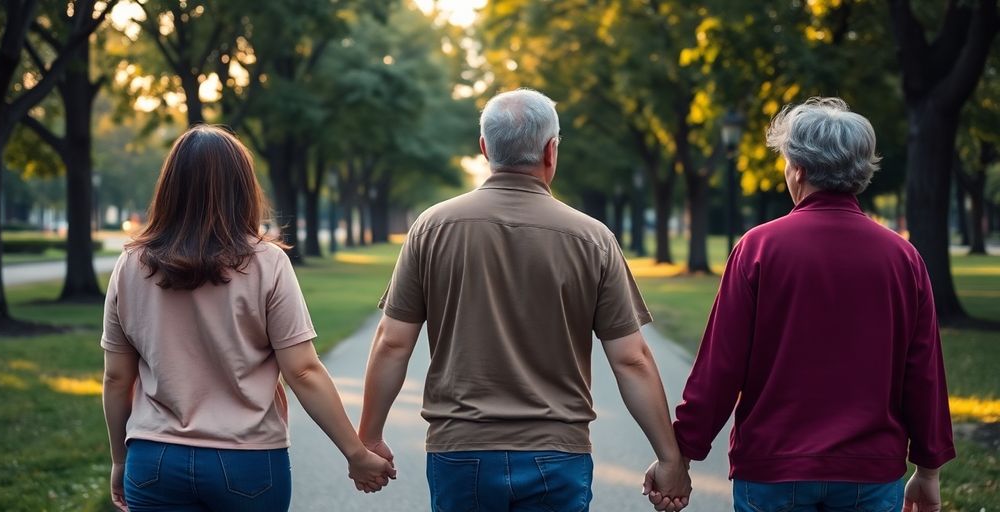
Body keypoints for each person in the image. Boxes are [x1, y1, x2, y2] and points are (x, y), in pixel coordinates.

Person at [357, 88, 692, 512]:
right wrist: (669, 458)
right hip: (559, 453)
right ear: (551, 151)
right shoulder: (592, 238)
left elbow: (392, 342)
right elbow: (631, 359)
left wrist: (367, 440)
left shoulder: (432, 228)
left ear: (484, 148)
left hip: (461, 451)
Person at [667, 98, 955, 512]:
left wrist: (682, 455)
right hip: (870, 473)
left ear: (798, 169)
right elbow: (923, 371)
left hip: (772, 470)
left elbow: (721, 365)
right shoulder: (902, 258)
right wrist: (928, 470)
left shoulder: (759, 248)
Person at [100, 125, 395, 512]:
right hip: (247, 461)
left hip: (154, 460)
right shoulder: (267, 263)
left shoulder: (130, 264)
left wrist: (120, 461)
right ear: (242, 188)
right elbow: (303, 371)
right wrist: (355, 453)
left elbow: (117, 377)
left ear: (170, 187)